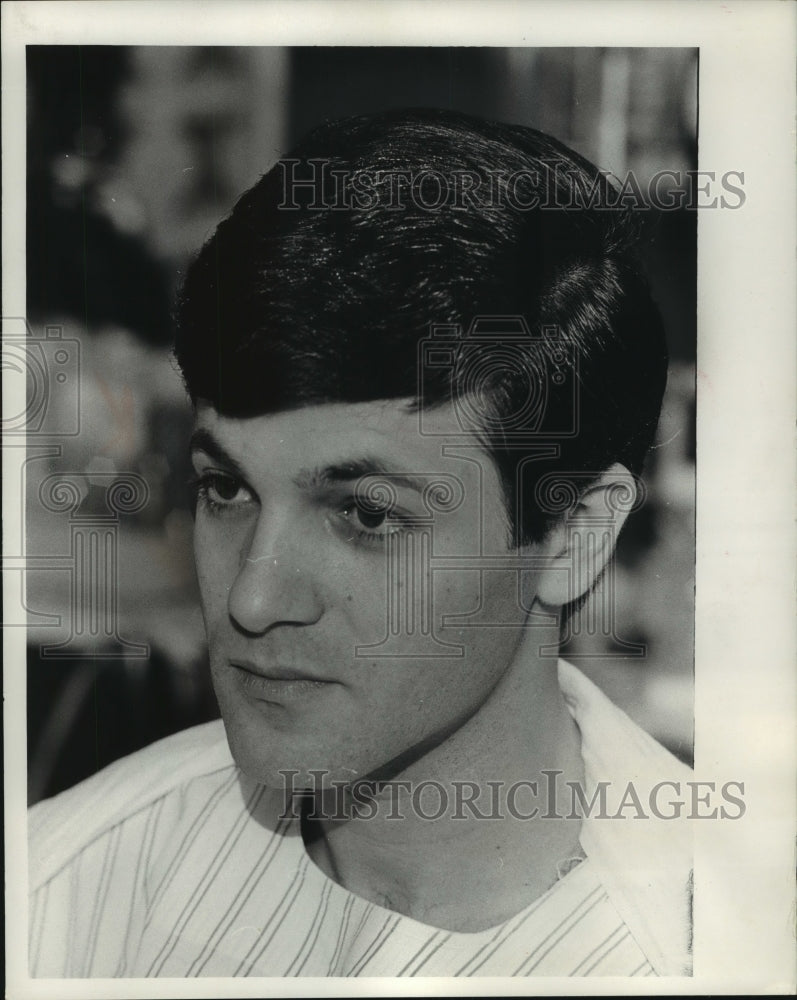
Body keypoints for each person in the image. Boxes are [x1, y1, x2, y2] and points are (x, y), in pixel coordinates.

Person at [28, 108, 693, 978]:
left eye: (367, 516)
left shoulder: (725, 938)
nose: (252, 599)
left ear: (574, 532)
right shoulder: (59, 892)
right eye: (226, 489)